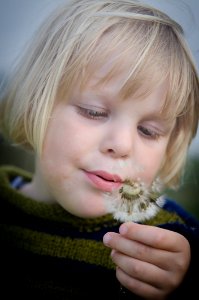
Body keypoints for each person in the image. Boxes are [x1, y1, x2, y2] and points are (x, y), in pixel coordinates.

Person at [0, 0, 199, 299]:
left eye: (148, 131)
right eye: (93, 112)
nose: (121, 145)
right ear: (35, 102)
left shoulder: (172, 241)